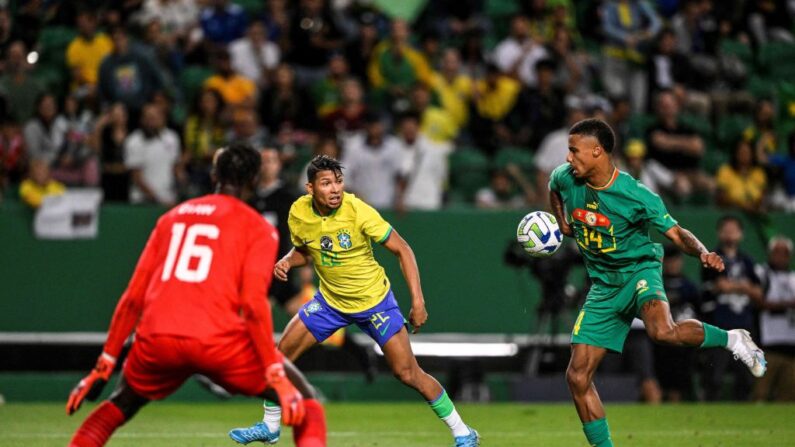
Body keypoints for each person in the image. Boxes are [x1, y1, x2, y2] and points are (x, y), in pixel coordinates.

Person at [65, 143, 326, 447]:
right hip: (217, 340)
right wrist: (274, 372)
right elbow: (254, 306)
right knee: (306, 404)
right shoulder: (259, 227)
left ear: (214, 174)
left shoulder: (172, 218)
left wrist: (105, 363)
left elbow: (132, 298)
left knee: (120, 404)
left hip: (158, 337)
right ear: (255, 180)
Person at [229, 155, 480, 447]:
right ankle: (270, 427)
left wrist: (418, 301)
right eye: (326, 183)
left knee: (407, 373)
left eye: (338, 181)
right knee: (278, 356)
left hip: (375, 303)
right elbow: (308, 250)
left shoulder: (357, 210)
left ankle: (463, 432)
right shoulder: (298, 212)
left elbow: (403, 249)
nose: (335, 189)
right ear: (310, 188)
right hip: (330, 302)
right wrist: (288, 260)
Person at [548, 118, 766, 447]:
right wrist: (563, 222)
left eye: (574, 151)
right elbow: (553, 188)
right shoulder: (565, 178)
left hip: (639, 272)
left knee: (662, 331)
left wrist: (703, 252)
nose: (568, 158)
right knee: (577, 377)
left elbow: (676, 233)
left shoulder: (636, 195)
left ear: (597, 151)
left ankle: (734, 339)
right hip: (604, 286)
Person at [700, 215, 764, 401]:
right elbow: (721, 286)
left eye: (733, 229)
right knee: (715, 375)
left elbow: (759, 292)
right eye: (726, 229)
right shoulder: (712, 258)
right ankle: (710, 411)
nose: (730, 233)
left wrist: (736, 286)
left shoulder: (748, 261)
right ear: (719, 233)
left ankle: (742, 413)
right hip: (719, 324)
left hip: (744, 323)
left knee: (745, 376)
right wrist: (744, 287)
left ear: (741, 234)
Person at [752, 236, 795, 401]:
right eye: (776, 252)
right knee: (760, 393)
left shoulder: (792, 278)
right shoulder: (761, 273)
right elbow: (758, 302)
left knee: (789, 396)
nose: (780, 256)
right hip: (767, 345)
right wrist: (786, 304)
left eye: (785, 253)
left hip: (791, 345)